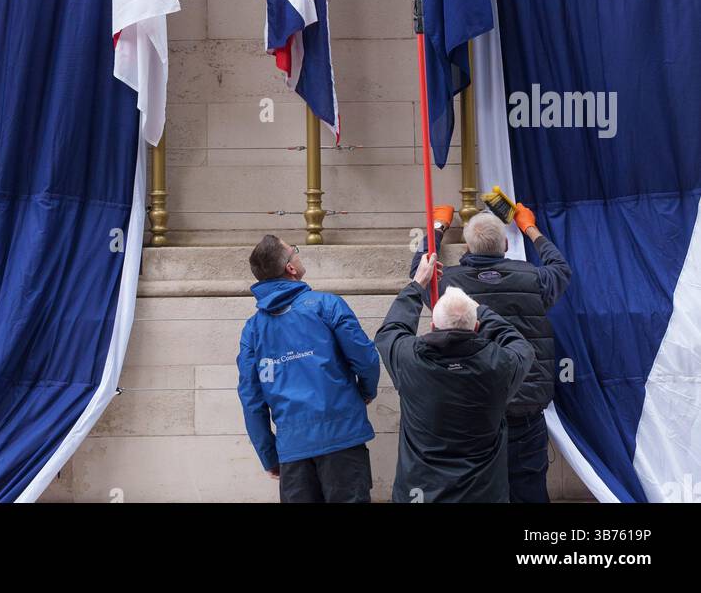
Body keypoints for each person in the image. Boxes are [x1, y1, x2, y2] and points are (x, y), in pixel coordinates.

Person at [427, 204, 571, 503]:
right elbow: (560, 268)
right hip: (525, 412)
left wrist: (438, 227)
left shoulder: (450, 286)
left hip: (472, 416)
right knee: (529, 492)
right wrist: (529, 228)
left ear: (467, 247)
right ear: (506, 245)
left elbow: (421, 274)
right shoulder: (534, 279)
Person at [376, 251, 534, 503]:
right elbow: (520, 345)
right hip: (483, 495)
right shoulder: (498, 366)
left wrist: (418, 284)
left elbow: (391, 330)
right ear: (477, 328)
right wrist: (477, 309)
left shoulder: (409, 361)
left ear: (433, 327)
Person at [236, 233, 380, 503]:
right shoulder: (327, 305)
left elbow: (251, 400)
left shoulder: (253, 330)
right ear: (290, 268)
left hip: (293, 450)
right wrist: (366, 391)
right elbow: (366, 358)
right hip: (342, 440)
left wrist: (269, 456)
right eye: (295, 251)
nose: (298, 255)